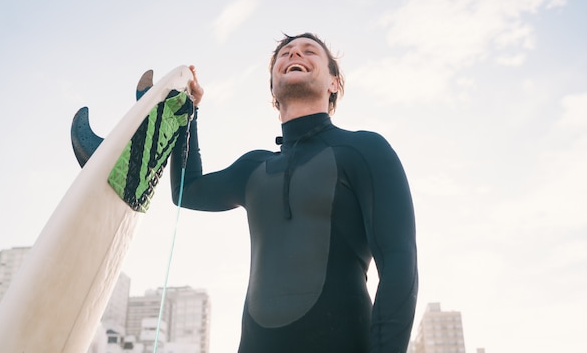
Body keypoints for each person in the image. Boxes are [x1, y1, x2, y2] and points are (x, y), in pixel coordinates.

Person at [170, 33, 418, 353]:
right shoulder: (252, 168)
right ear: (273, 88)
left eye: (308, 51)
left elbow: (401, 264)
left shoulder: (364, 150)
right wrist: (188, 114)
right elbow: (186, 191)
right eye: (284, 54)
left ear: (334, 83)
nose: (294, 54)